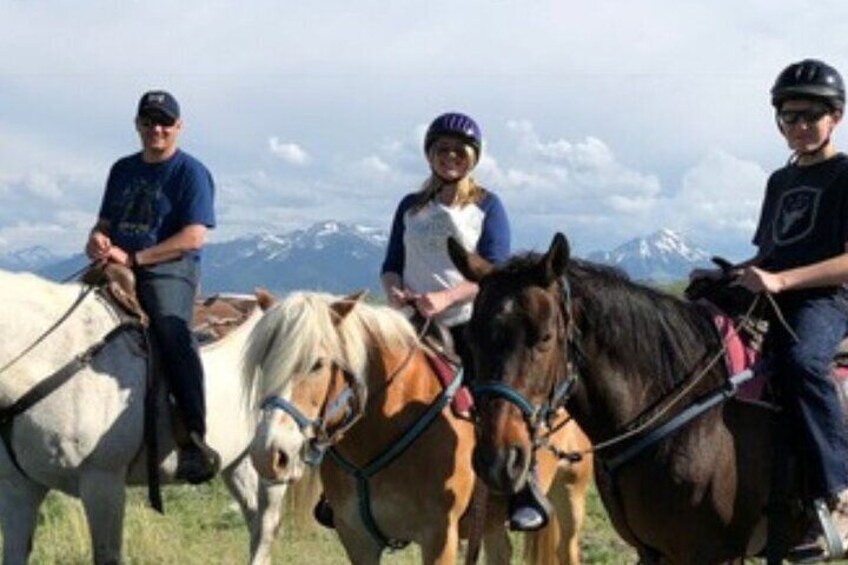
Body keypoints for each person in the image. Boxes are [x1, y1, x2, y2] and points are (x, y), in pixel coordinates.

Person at [692, 59, 848, 558]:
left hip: (829, 297)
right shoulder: (778, 183)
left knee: (802, 363)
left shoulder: (845, 174)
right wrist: (728, 275)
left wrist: (782, 281)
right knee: (697, 325)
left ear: (836, 117)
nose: (800, 126)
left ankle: (839, 492)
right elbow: (770, 253)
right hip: (777, 289)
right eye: (790, 117)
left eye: (811, 115)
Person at [85, 90, 220, 485]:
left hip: (169, 270)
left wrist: (137, 259)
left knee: (173, 332)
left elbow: (194, 237)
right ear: (138, 126)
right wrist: (97, 240)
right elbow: (104, 224)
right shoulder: (122, 169)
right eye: (148, 122)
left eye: (164, 122)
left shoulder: (190, 172)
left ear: (178, 126)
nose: (156, 129)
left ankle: (195, 437)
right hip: (117, 261)